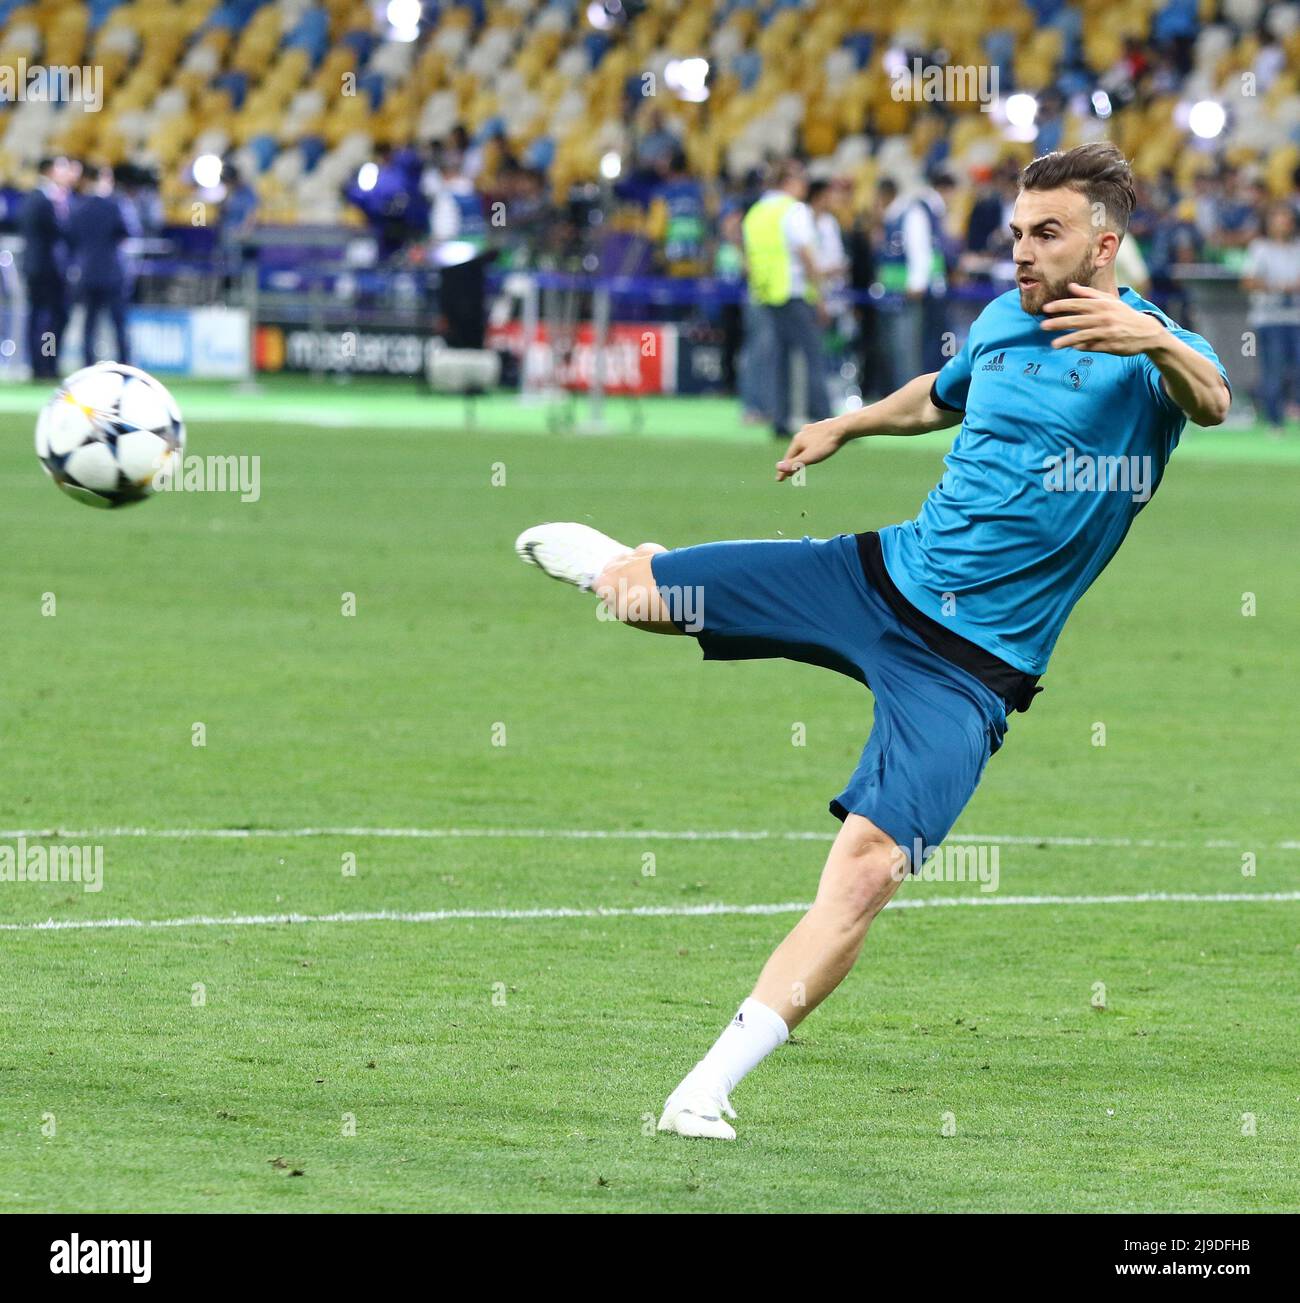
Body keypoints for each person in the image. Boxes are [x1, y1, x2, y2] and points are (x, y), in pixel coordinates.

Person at [512, 142, 1229, 1140]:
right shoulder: (999, 321)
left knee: (865, 870)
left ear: (1105, 244)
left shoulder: (1144, 347)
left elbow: (1213, 400)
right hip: (877, 577)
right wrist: (843, 426)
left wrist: (1147, 340)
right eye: (1016, 231)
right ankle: (632, 566)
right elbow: (939, 395)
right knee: (632, 601)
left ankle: (705, 1086)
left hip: (969, 668)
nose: (1020, 250)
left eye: (1047, 232)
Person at [741, 159, 828, 438]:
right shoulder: (794, 210)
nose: (804, 186)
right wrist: (821, 292)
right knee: (812, 354)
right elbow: (804, 252)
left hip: (765, 292)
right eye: (800, 179)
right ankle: (824, 418)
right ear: (788, 182)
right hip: (794, 290)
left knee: (778, 358)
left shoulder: (756, 212)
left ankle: (780, 419)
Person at [18, 155, 78, 379]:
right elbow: (57, 231)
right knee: (45, 318)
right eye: (62, 167)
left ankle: (48, 363)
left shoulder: (51, 198)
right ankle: (41, 365)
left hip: (50, 269)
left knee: (53, 318)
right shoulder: (40, 199)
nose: (67, 172)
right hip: (43, 269)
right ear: (50, 171)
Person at [1242, 201, 1300, 433]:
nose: (1281, 223)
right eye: (1277, 217)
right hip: (1269, 317)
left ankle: (1293, 410)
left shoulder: (1297, 248)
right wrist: (1276, 287)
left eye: (1285, 218)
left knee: (1296, 369)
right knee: (1273, 369)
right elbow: (1247, 280)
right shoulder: (1260, 247)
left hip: (1295, 317)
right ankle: (1274, 420)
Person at [67, 165, 134, 367]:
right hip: (113, 272)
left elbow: (71, 236)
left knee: (90, 324)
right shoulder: (116, 205)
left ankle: (87, 365)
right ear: (106, 180)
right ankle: (125, 365)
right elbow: (130, 230)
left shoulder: (79, 206)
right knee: (119, 323)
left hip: (87, 272)